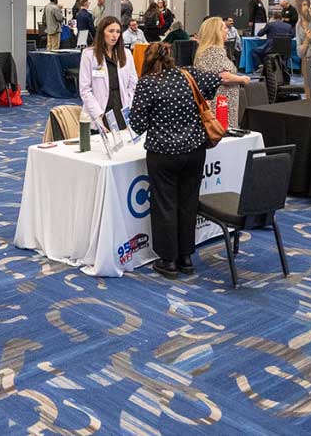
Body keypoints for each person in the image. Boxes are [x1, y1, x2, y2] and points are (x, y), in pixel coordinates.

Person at [128, 43, 242, 279]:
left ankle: (168, 261)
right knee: (188, 202)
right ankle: (186, 257)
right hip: (194, 150)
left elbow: (138, 125)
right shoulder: (190, 74)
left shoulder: (147, 83)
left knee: (165, 205)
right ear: (172, 58)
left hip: (163, 153)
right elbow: (216, 81)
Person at [79, 15, 137, 129]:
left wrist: (128, 106)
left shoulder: (127, 54)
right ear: (102, 32)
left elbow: (133, 84)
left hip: (121, 111)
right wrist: (98, 114)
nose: (115, 35)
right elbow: (85, 89)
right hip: (99, 112)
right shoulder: (89, 54)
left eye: (118, 32)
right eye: (111, 31)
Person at [194, 17, 250, 123]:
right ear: (216, 32)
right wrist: (242, 79)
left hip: (220, 101)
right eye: (224, 28)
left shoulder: (207, 51)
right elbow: (224, 77)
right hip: (221, 103)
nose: (227, 30)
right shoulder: (214, 52)